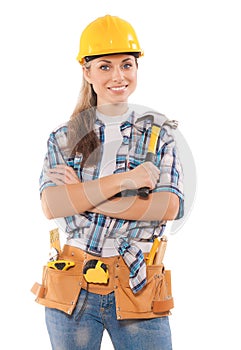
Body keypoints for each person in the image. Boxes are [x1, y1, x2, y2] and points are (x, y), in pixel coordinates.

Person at [37, 14, 184, 350]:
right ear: (87, 72)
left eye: (127, 65)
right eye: (105, 66)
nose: (118, 76)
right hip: (72, 284)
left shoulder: (160, 136)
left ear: (136, 68)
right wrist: (128, 181)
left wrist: (82, 195)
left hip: (137, 284)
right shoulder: (63, 138)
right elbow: (52, 206)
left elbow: (169, 207)